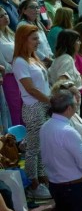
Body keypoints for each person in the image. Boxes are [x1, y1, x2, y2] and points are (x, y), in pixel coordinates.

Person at [13, 25, 51, 200]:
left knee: (42, 146)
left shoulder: (33, 58)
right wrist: (50, 101)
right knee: (33, 149)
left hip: (43, 105)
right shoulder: (20, 62)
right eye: (34, 39)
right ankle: (33, 184)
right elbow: (30, 89)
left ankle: (43, 179)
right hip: (34, 107)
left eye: (38, 38)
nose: (38, 42)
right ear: (24, 40)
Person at [0, 6, 22, 125]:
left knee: (22, 104)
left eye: (6, 14)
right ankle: (16, 133)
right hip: (8, 76)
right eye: (1, 16)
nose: (5, 17)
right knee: (14, 106)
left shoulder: (11, 34)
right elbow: (2, 62)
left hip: (19, 72)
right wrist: (14, 67)